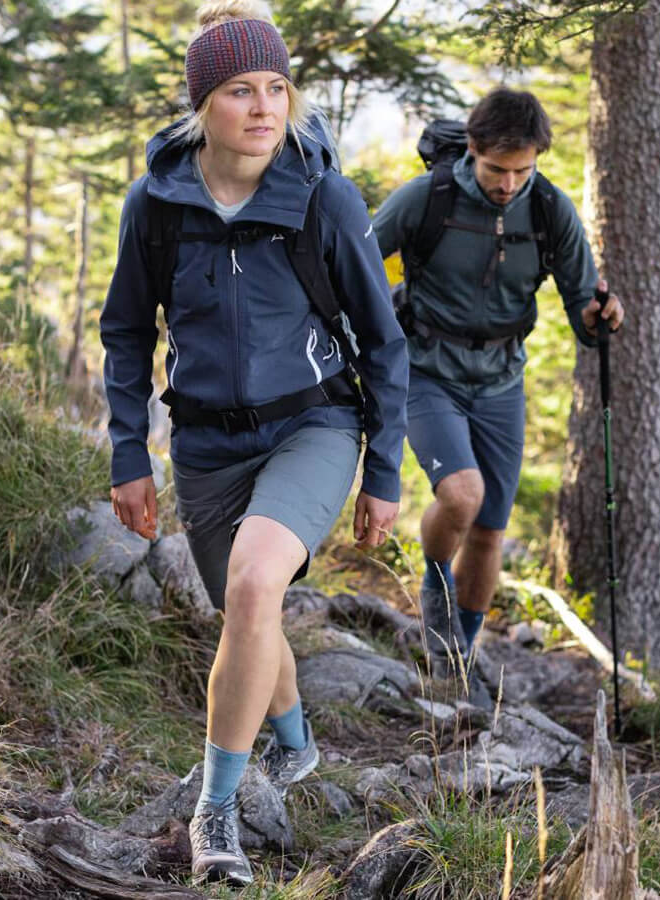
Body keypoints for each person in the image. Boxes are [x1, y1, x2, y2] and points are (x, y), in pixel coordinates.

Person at [99, 0, 408, 886]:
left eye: (277, 87)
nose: (265, 106)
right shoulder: (156, 205)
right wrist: (130, 452)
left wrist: (382, 470)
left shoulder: (322, 196)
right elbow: (126, 333)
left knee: (254, 580)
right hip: (204, 445)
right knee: (245, 609)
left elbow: (384, 341)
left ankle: (216, 810)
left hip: (313, 423)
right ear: (205, 104)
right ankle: (296, 745)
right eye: (242, 90)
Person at [372, 88, 624, 699]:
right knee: (462, 497)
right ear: (473, 150)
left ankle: (459, 653)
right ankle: (434, 592)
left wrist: (601, 316)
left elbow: (580, 304)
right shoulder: (425, 199)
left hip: (502, 381)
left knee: (488, 529)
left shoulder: (549, 212)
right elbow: (355, 263)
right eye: (496, 170)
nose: (509, 184)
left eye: (523, 170)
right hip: (428, 370)